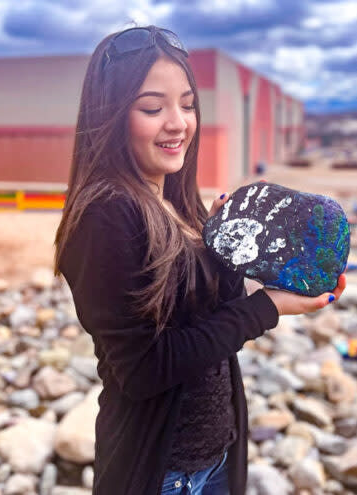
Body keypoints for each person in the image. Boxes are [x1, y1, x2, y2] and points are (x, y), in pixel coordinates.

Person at [54, 26, 346, 495]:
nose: (178, 123)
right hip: (163, 476)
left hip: (215, 460)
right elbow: (144, 369)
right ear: (109, 115)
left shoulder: (176, 201)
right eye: (153, 107)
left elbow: (209, 324)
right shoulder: (104, 217)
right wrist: (267, 308)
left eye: (187, 104)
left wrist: (226, 255)